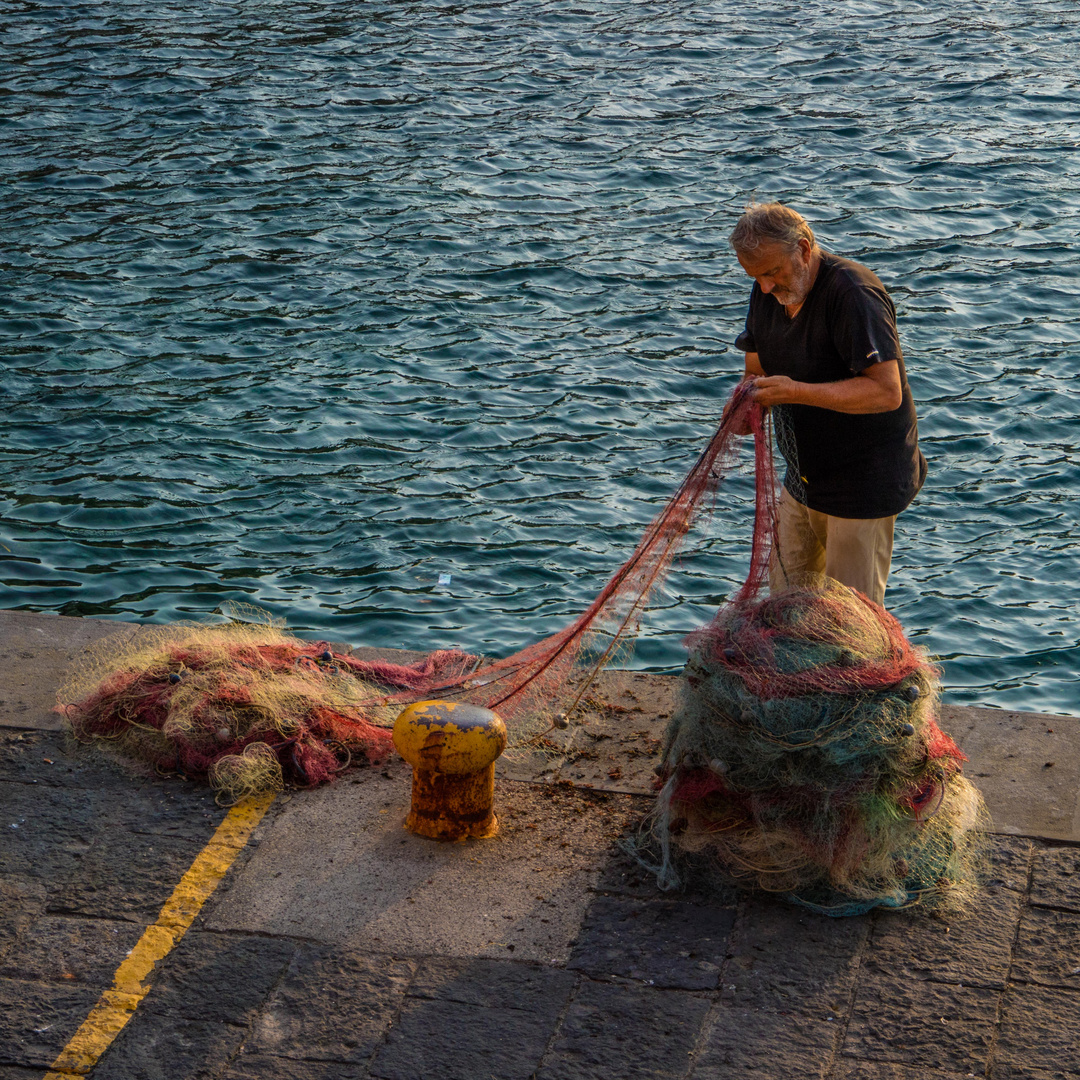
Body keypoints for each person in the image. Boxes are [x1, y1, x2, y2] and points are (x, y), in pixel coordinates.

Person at [728, 202, 926, 606]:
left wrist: (797, 391)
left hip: (862, 485)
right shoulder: (766, 290)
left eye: (772, 273)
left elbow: (886, 392)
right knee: (783, 610)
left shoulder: (853, 293)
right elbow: (756, 366)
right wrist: (747, 405)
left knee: (852, 620)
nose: (765, 288)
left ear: (803, 248)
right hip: (802, 479)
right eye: (755, 277)